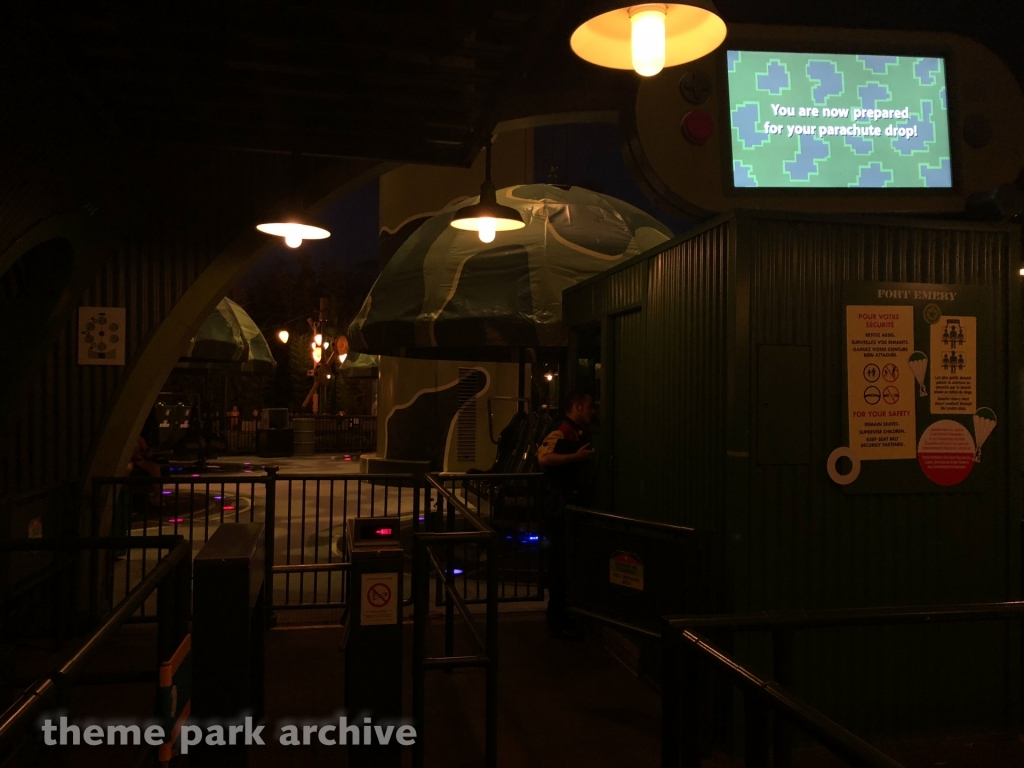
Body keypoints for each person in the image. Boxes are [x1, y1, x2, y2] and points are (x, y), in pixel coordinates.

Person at [536, 389, 597, 639]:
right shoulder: (562, 429)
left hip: (564, 505)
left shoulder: (575, 430)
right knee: (559, 561)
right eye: (590, 406)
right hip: (558, 506)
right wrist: (575, 457)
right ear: (578, 406)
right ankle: (557, 615)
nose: (594, 412)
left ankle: (561, 613)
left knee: (564, 561)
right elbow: (543, 458)